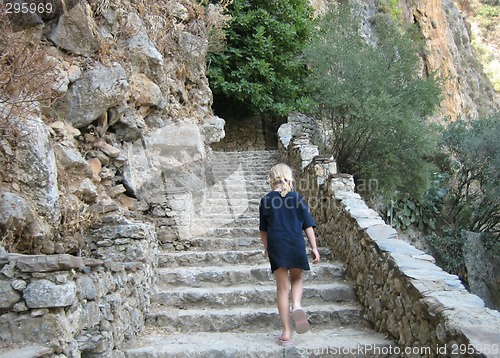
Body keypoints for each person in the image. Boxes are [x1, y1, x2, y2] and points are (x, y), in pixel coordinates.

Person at [259, 163, 320, 347]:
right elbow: (307, 225)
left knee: (282, 288)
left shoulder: (266, 200)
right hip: (295, 243)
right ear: (289, 179)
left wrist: (267, 247)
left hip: (277, 244)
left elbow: (263, 230)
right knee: (297, 279)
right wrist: (314, 248)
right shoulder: (297, 198)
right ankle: (298, 305)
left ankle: (286, 333)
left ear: (271, 180)